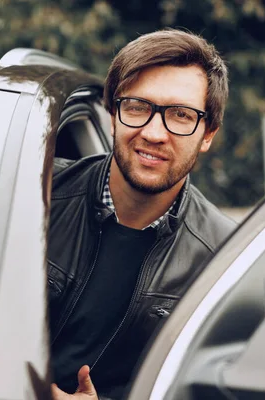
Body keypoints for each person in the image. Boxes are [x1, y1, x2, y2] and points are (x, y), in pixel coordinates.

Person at [47, 29, 236, 400]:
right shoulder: (35, 193)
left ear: (208, 133)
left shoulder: (223, 258)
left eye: (181, 115)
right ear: (113, 115)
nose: (153, 133)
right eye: (137, 107)